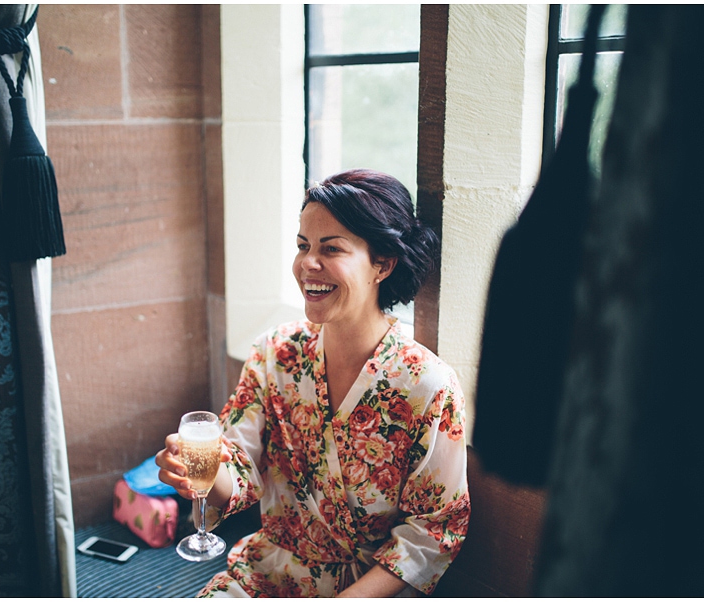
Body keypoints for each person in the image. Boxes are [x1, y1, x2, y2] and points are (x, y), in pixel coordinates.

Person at [157, 169, 470, 597]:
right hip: (268, 572)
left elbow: (433, 532)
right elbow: (238, 466)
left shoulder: (427, 386)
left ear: (383, 263)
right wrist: (201, 475)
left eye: (331, 248)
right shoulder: (276, 352)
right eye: (303, 246)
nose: (307, 263)